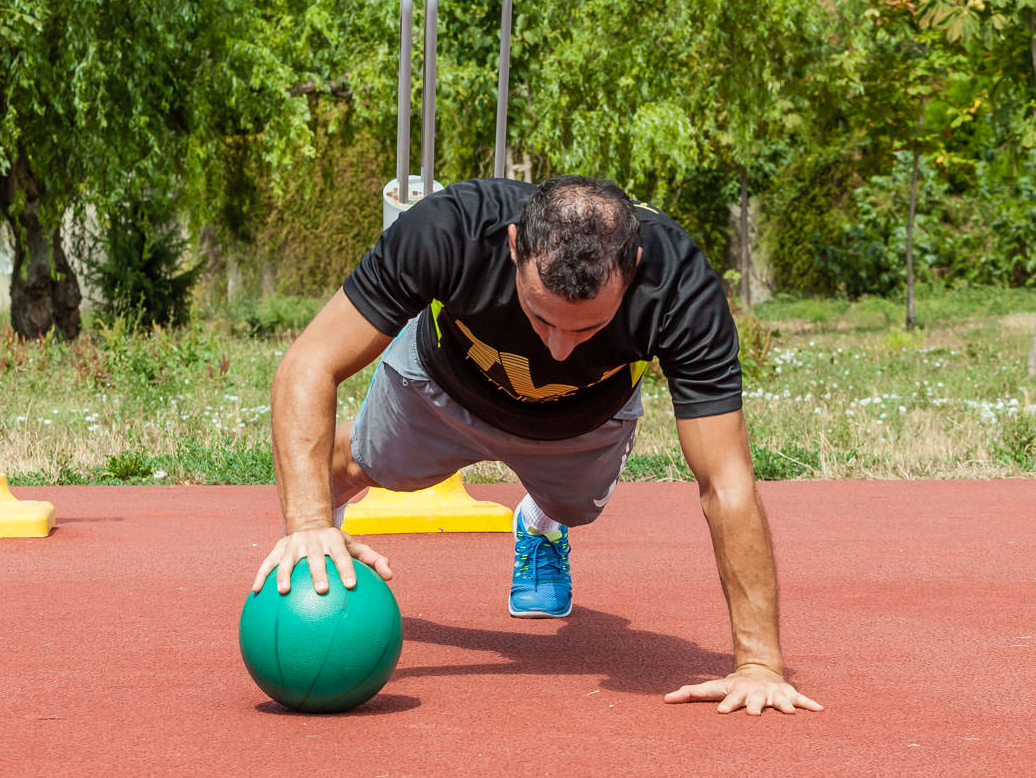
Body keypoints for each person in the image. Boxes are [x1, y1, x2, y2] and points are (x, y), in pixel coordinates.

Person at [251, 175, 822, 716]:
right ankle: (318, 528)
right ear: (515, 246)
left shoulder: (680, 286)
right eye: (542, 316)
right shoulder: (450, 228)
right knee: (358, 467)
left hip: (580, 427)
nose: (559, 349)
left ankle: (540, 520)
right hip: (441, 390)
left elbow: (725, 482)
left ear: (635, 266)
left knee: (576, 509)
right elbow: (308, 363)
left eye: (587, 329)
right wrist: (306, 524)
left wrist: (760, 665)